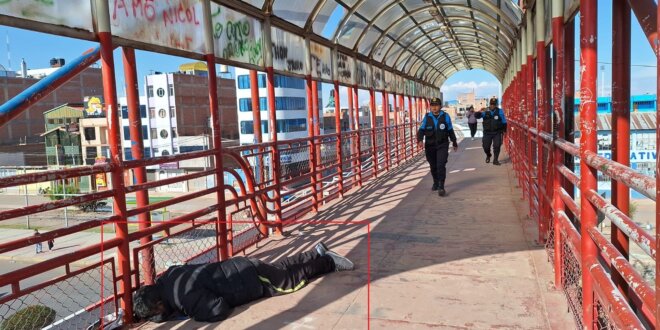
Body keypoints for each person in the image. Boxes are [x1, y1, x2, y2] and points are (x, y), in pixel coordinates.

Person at [133, 242, 354, 323]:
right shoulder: (170, 275)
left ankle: (328, 262)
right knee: (282, 269)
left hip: (248, 280)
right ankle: (315, 252)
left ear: (160, 305)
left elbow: (218, 309)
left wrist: (192, 314)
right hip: (239, 267)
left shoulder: (185, 299)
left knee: (290, 282)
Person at [417, 97, 458, 196]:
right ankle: (435, 182)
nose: (434, 107)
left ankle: (441, 186)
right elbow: (421, 130)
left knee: (441, 165)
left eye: (436, 105)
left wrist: (454, 142)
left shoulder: (445, 116)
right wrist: (419, 140)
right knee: (433, 166)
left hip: (442, 144)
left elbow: (450, 130)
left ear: (440, 106)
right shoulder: (427, 117)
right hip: (430, 146)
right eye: (432, 105)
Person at [475, 97, 507, 165]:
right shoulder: (485, 111)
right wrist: (479, 112)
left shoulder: (500, 111)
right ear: (489, 104)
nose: (492, 105)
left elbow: (504, 121)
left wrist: (504, 130)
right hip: (487, 133)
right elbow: (478, 116)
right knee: (486, 147)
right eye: (491, 104)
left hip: (497, 132)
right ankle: (488, 154)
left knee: (497, 146)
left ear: (496, 105)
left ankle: (495, 160)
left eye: (494, 104)